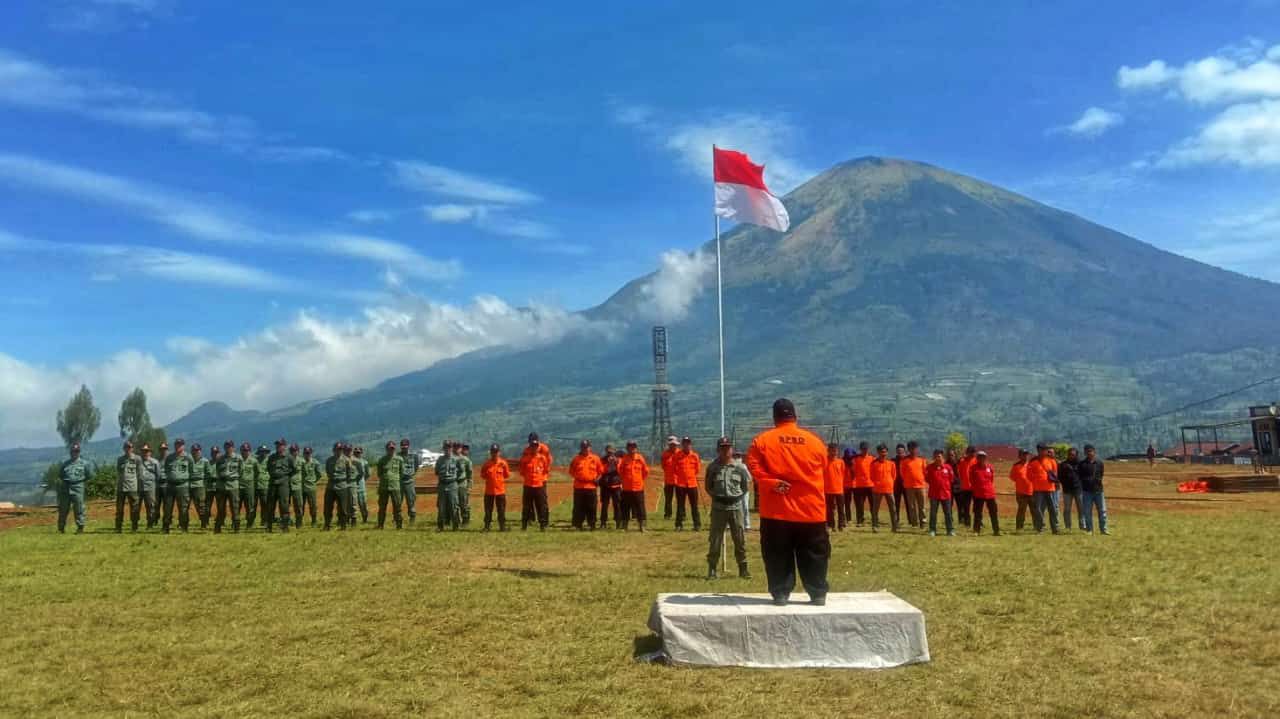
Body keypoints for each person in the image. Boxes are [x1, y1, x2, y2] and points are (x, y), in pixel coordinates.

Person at [746, 399, 829, 606]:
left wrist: (772, 483)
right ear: (795, 416)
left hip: (777, 511)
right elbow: (824, 468)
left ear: (775, 418)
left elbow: (754, 468)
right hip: (811, 509)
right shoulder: (814, 441)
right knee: (814, 553)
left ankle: (781, 593)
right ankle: (817, 593)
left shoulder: (762, 441)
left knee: (777, 553)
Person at [705, 436, 752, 580]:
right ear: (718, 450)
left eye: (728, 447)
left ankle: (743, 569)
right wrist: (718, 497)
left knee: (739, 538)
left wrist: (734, 497)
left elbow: (745, 486)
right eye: (723, 448)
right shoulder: (713, 467)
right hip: (719, 507)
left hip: (735, 506)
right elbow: (708, 486)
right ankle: (712, 568)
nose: (726, 451)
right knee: (715, 540)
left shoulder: (740, 467)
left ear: (732, 449)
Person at [55, 442, 94, 534]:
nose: (75, 453)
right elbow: (61, 475)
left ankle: (80, 527)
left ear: (79, 452)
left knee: (79, 508)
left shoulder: (84, 464)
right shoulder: (65, 464)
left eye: (77, 451)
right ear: (70, 452)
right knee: (63, 508)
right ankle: (61, 528)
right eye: (73, 451)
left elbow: (89, 475)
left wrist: (81, 482)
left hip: (78, 487)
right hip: (66, 487)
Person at [518, 433, 552, 531]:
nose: (532, 446)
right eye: (530, 443)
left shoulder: (544, 449)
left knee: (542, 502)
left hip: (541, 479)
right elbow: (522, 468)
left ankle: (544, 522)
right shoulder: (526, 451)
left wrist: (541, 475)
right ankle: (529, 520)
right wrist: (529, 476)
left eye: (534, 443)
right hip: (529, 481)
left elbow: (548, 463)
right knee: (528, 504)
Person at [161, 438, 195, 533]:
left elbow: (192, 471)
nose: (178, 446)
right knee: (167, 507)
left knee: (183, 508)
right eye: (176, 444)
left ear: (183, 446)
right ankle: (166, 527)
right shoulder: (169, 457)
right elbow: (167, 470)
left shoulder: (188, 457)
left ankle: (184, 527)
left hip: (183, 486)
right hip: (170, 486)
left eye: (180, 445)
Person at [569, 440, 603, 530]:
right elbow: (571, 471)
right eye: (583, 447)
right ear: (581, 448)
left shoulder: (595, 458)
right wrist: (578, 477)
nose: (585, 449)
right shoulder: (576, 459)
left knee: (591, 506)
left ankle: (592, 524)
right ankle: (577, 524)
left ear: (590, 447)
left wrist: (597, 479)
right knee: (578, 507)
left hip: (591, 486)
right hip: (579, 487)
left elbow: (601, 471)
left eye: (587, 447)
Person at [1028, 444, 1061, 534]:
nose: (1044, 451)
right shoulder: (1032, 461)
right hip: (1037, 489)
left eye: (1045, 450)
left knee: (1053, 509)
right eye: (1042, 450)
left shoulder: (1051, 461)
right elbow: (1029, 475)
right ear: (1038, 450)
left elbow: (1055, 474)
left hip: (1050, 489)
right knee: (1038, 509)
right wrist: (1037, 479)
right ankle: (1040, 528)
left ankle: (1055, 528)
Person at [264, 439, 295, 532]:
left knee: (284, 505)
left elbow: (293, 469)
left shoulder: (289, 458)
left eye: (281, 445)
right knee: (270, 506)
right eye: (277, 445)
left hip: (283, 484)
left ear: (284, 446)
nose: (278, 447)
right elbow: (269, 468)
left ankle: (285, 526)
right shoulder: (271, 457)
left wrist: (285, 477)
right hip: (273, 484)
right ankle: (269, 527)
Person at [618, 441, 649, 531]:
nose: (632, 449)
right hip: (627, 488)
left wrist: (638, 480)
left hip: (638, 487)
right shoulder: (624, 459)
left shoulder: (640, 458)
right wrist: (626, 480)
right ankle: (624, 526)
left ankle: (642, 526)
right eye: (630, 447)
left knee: (640, 508)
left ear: (636, 448)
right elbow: (620, 472)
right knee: (625, 507)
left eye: (633, 447)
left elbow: (645, 471)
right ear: (627, 448)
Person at [1078, 444, 1109, 535]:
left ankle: (1103, 530)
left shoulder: (1100, 463)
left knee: (1102, 511)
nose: (1089, 453)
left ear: (1094, 452)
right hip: (1087, 491)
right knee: (1087, 512)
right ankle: (1089, 530)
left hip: (1099, 491)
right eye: (1087, 451)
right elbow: (1080, 476)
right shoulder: (1082, 464)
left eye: (1091, 451)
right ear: (1085, 453)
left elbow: (1101, 474)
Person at [324, 442, 354, 530]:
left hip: (342, 486)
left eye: (340, 449)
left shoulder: (346, 460)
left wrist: (344, 481)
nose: (339, 451)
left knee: (343, 508)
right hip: (331, 486)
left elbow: (349, 473)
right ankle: (327, 525)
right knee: (328, 507)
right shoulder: (329, 460)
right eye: (337, 449)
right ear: (333, 450)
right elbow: (328, 472)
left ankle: (343, 526)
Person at [674, 437, 703, 531]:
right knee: (680, 506)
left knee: (694, 506)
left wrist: (690, 476)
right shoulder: (677, 455)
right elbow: (674, 468)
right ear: (682, 445)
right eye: (685, 443)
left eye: (688, 443)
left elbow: (697, 469)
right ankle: (678, 525)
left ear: (691, 444)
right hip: (680, 484)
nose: (687, 445)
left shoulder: (695, 456)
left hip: (692, 484)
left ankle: (697, 525)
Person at [375, 441, 405, 529]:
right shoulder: (382, 460)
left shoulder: (399, 459)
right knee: (382, 507)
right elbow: (379, 474)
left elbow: (401, 473)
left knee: (397, 506)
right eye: (389, 448)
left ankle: (399, 525)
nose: (391, 450)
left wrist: (394, 479)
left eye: (392, 448)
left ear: (395, 449)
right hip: (384, 487)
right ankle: (380, 525)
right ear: (386, 449)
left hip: (395, 486)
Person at [481, 444, 511, 531]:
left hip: (500, 491)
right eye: (493, 452)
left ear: (499, 452)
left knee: (501, 510)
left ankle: (502, 526)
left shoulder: (503, 463)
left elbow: (506, 475)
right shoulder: (486, 464)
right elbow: (482, 475)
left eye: (496, 452)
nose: (494, 453)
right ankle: (487, 526)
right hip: (489, 491)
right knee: (488, 510)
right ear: (490, 453)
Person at [925, 449, 955, 536]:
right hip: (934, 494)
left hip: (946, 494)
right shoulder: (929, 468)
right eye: (936, 456)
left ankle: (950, 530)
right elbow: (927, 479)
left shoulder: (948, 467)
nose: (937, 458)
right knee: (933, 513)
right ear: (933, 457)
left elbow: (951, 479)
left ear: (942, 457)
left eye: (939, 456)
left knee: (948, 513)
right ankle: (932, 530)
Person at [969, 450, 1000, 535]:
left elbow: (991, 479)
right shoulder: (973, 468)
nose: (981, 458)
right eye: (979, 457)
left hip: (990, 493)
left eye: (983, 457)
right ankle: (976, 531)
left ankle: (996, 530)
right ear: (977, 458)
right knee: (977, 513)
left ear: (985, 458)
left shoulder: (990, 467)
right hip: (978, 494)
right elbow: (971, 480)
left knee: (993, 512)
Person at [870, 444, 899, 532]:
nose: (883, 453)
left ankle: (894, 527)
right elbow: (871, 476)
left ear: (887, 452)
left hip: (889, 489)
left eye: (885, 452)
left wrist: (889, 482)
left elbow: (894, 476)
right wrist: (877, 483)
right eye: (881, 452)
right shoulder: (874, 464)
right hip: (877, 489)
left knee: (893, 509)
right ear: (878, 452)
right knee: (875, 509)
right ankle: (875, 526)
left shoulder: (891, 464)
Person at [115, 440, 142, 533]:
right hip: (121, 487)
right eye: (126, 447)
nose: (128, 449)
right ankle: (118, 527)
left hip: (132, 487)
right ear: (124, 449)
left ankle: (134, 526)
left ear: (132, 448)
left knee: (134, 508)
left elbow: (139, 473)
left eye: (130, 447)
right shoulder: (120, 459)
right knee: (119, 508)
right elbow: (119, 471)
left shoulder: (137, 459)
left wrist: (139, 486)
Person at [214, 440, 241, 533]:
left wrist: (234, 478)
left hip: (233, 486)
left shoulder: (238, 458)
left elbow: (241, 470)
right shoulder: (220, 458)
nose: (228, 448)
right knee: (220, 508)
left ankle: (236, 527)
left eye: (230, 446)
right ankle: (218, 528)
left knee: (235, 507)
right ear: (224, 447)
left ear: (233, 447)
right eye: (226, 446)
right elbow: (217, 470)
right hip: (221, 486)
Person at [900, 441, 927, 530]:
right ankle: (914, 523)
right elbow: (902, 473)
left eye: (915, 448)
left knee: (922, 506)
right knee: (912, 506)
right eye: (911, 448)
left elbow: (925, 472)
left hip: (921, 486)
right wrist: (907, 481)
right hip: (909, 487)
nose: (913, 450)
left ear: (917, 449)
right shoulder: (904, 461)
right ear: (908, 449)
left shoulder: (922, 460)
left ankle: (923, 522)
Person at [435, 440, 461, 531]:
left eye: (449, 447)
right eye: (446, 447)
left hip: (452, 484)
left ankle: (455, 525)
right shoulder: (440, 460)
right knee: (441, 506)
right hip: (442, 484)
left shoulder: (456, 459)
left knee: (454, 505)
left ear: (451, 448)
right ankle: (440, 526)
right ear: (443, 448)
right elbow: (437, 471)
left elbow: (460, 471)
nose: (447, 449)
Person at [138, 443, 163, 530]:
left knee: (151, 506)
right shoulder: (138, 462)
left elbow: (158, 475)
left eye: (146, 451)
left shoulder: (155, 462)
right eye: (143, 451)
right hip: (139, 487)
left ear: (150, 452)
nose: (145, 453)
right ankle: (135, 524)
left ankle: (150, 523)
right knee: (136, 505)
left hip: (150, 487)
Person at [598, 445, 623, 529]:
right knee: (605, 505)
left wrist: (616, 463)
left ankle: (618, 522)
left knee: (617, 505)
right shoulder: (602, 460)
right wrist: (607, 464)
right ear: (606, 451)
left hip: (616, 484)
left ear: (614, 451)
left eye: (612, 452)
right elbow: (601, 471)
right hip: (605, 485)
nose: (610, 454)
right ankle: (603, 522)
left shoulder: (619, 459)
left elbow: (621, 471)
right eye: (609, 452)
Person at [1059, 447, 1084, 531]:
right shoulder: (1063, 465)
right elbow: (1060, 477)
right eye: (1069, 454)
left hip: (1079, 490)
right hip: (1067, 490)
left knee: (1081, 508)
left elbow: (1084, 476)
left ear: (1076, 455)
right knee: (1067, 509)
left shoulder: (1081, 464)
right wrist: (1064, 484)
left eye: (1073, 454)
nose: (1071, 456)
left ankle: (1082, 525)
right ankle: (1067, 526)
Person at [1010, 449, 1035, 532]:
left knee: (1034, 510)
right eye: (1023, 454)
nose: (1025, 456)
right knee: (1021, 511)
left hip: (1032, 491)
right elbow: (1012, 477)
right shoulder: (1016, 466)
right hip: (1021, 492)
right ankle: (1019, 527)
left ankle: (1037, 526)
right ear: (1019, 456)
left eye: (1026, 454)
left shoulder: (1031, 465)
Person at [188, 443, 211, 530]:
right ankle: (183, 523)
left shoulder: (205, 461)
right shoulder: (188, 461)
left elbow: (209, 474)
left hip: (200, 486)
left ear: (200, 451)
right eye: (193, 451)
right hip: (189, 485)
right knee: (185, 505)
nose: (195, 452)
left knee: (201, 506)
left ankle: (203, 522)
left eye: (197, 451)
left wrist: (205, 485)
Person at [850, 442, 874, 527]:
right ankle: (860, 520)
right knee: (859, 505)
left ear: (868, 449)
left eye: (866, 448)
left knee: (873, 504)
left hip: (870, 485)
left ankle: (874, 519)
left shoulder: (872, 458)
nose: (864, 450)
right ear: (860, 449)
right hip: (859, 485)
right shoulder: (855, 459)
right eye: (863, 449)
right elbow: (852, 471)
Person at [823, 444, 846, 531]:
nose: (833, 452)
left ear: (837, 451)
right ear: (828, 451)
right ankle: (831, 525)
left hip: (839, 489)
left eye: (835, 451)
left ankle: (841, 525)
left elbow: (842, 474)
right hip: (828, 490)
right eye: (832, 450)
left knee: (840, 508)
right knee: (830, 509)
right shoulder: (825, 461)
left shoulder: (841, 462)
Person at [238, 442, 260, 529]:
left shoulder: (254, 461)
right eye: (243, 450)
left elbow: (257, 473)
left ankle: (250, 523)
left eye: (247, 450)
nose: (245, 452)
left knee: (250, 506)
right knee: (236, 505)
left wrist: (251, 481)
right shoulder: (237, 460)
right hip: (238, 486)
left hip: (249, 486)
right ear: (240, 451)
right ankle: (235, 523)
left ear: (250, 451)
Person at [300, 446, 322, 527]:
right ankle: (300, 521)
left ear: (311, 453)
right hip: (301, 487)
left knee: (313, 505)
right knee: (300, 505)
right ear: (303, 454)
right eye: (305, 453)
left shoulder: (315, 463)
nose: (307, 454)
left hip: (311, 488)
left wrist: (313, 481)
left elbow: (319, 474)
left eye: (308, 453)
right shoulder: (300, 462)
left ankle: (314, 521)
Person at [397, 439, 418, 525]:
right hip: (400, 482)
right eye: (402, 445)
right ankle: (397, 517)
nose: (404, 447)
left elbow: (416, 467)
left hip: (409, 481)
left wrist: (410, 474)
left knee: (411, 500)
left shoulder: (414, 456)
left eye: (405, 445)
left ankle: (412, 517)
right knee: (398, 501)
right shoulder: (397, 456)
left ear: (408, 446)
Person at [955, 446, 976, 527]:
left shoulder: (976, 460)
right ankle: (967, 522)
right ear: (967, 453)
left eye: (973, 453)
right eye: (971, 453)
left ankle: (978, 522)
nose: (972, 454)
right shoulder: (961, 461)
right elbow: (958, 472)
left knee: (977, 506)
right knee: (966, 506)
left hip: (975, 487)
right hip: (965, 488)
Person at [456, 443, 474, 526]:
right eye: (455, 447)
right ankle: (456, 520)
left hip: (463, 483)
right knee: (454, 503)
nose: (465, 451)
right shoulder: (453, 459)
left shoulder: (466, 460)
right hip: (454, 484)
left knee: (464, 503)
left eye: (458, 448)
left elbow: (470, 474)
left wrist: (469, 486)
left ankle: (466, 519)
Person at [287, 444, 305, 529]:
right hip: (287, 485)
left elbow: (304, 472)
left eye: (295, 450)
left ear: (298, 451)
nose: (293, 452)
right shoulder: (286, 460)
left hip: (297, 486)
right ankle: (287, 521)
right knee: (286, 505)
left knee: (298, 505)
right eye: (292, 451)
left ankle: (299, 523)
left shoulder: (302, 461)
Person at [661, 435, 679, 519]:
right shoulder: (665, 454)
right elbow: (663, 466)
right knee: (668, 499)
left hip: (679, 480)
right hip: (668, 480)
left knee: (680, 499)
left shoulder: (680, 453)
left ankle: (681, 515)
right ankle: (668, 514)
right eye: (671, 444)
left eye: (674, 444)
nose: (673, 446)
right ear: (669, 445)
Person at [352, 446, 370, 524]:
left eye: (358, 452)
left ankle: (365, 519)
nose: (357, 453)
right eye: (355, 452)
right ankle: (353, 520)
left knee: (363, 504)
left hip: (361, 486)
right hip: (352, 486)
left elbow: (368, 474)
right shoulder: (350, 461)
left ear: (361, 453)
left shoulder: (365, 462)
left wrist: (362, 480)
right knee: (353, 504)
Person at [254, 444, 271, 526]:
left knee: (265, 504)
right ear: (259, 452)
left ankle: (264, 520)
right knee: (252, 505)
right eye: (261, 452)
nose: (263, 453)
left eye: (264, 452)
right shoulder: (255, 461)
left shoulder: (269, 461)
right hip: (255, 486)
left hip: (265, 485)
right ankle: (250, 521)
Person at [892, 443, 908, 520]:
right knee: (896, 503)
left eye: (901, 452)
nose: (900, 453)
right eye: (898, 452)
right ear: (896, 452)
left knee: (908, 503)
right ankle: (896, 519)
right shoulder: (893, 461)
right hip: (896, 485)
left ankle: (911, 520)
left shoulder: (908, 460)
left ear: (904, 451)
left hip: (907, 485)